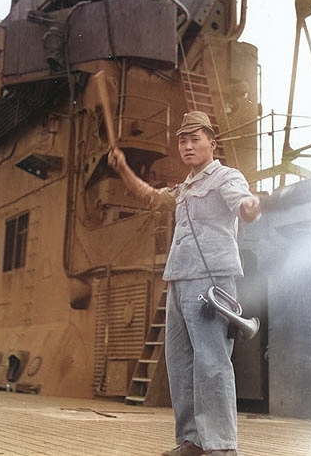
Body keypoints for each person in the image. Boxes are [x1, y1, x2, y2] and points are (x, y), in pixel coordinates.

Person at [108, 110, 261, 456]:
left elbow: (243, 202)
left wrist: (251, 207)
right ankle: (192, 441)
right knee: (180, 363)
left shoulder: (226, 177)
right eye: (183, 140)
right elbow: (150, 196)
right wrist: (123, 169)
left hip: (210, 283)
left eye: (195, 139)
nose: (188, 146)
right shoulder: (184, 187)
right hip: (178, 280)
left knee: (212, 360)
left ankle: (221, 445)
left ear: (211, 142)